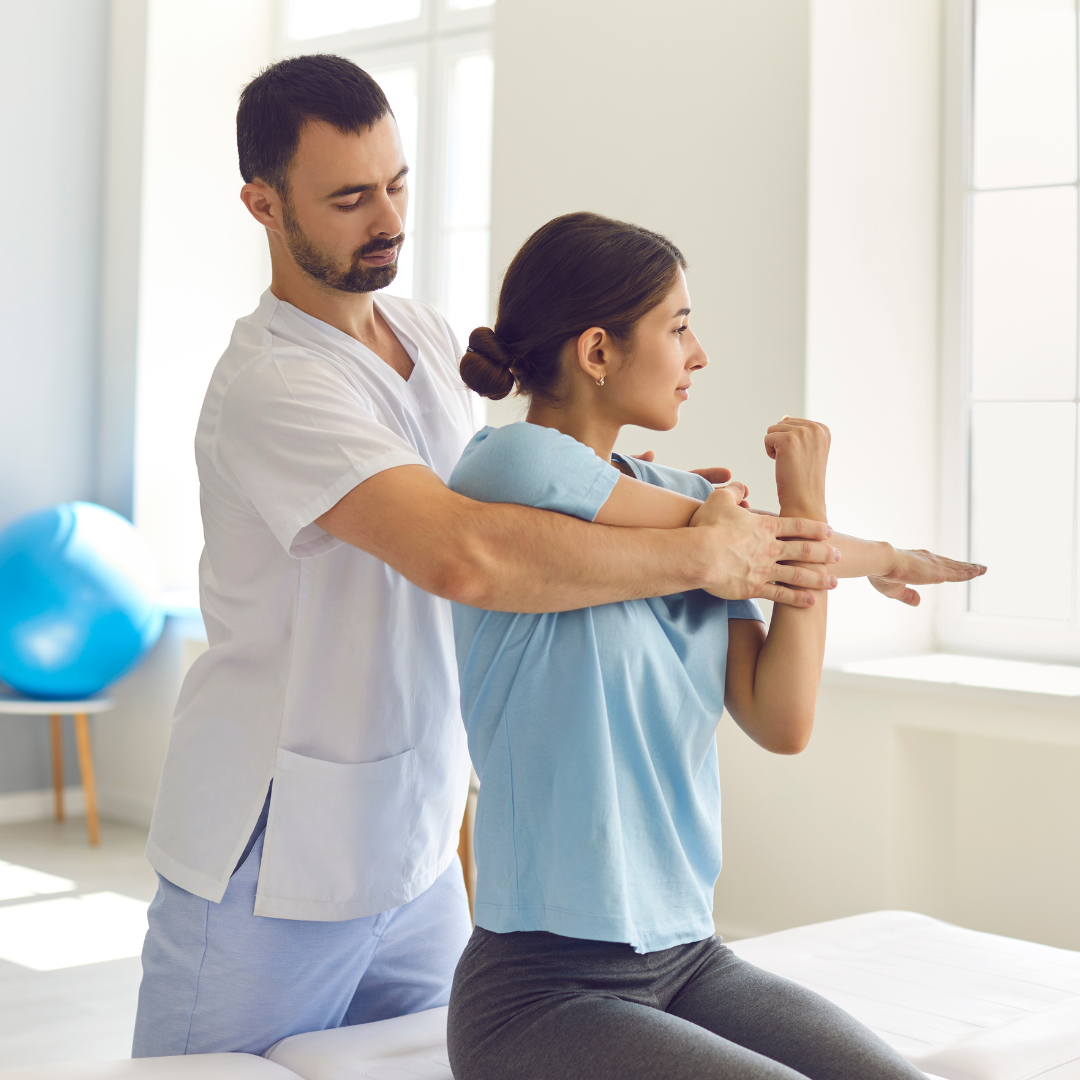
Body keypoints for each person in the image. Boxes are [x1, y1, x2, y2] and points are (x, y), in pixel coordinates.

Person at [130, 54, 868, 1058]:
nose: (387, 217)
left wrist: (663, 506)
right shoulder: (274, 383)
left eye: (396, 184)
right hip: (268, 862)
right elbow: (467, 557)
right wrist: (704, 553)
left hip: (420, 849)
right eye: (349, 198)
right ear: (262, 204)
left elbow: (530, 491)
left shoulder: (429, 343)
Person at [445, 212, 982, 1080]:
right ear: (596, 351)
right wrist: (831, 541)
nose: (699, 355)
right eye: (680, 326)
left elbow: (782, 720)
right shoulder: (505, 471)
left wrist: (805, 511)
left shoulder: (703, 514)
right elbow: (753, 540)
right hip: (540, 988)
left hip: (691, 960)